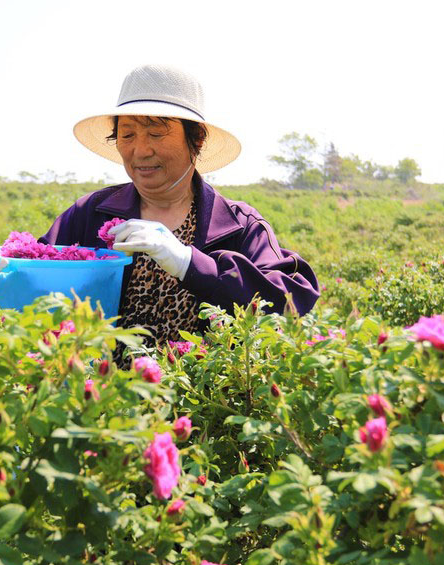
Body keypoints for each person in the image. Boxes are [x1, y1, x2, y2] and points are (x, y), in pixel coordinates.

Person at [38, 64, 319, 353]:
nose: (141, 150)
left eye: (156, 134)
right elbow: (34, 277)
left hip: (204, 396)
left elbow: (291, 300)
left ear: (196, 140)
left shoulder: (239, 225)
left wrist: (189, 263)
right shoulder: (91, 214)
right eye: (128, 135)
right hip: (102, 393)